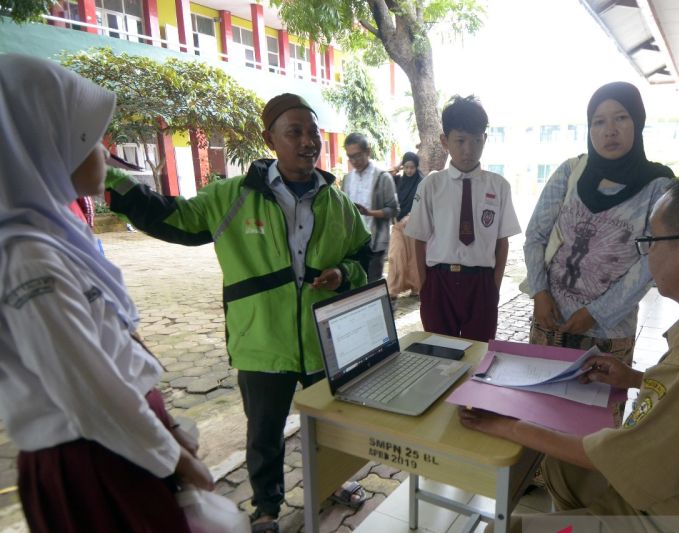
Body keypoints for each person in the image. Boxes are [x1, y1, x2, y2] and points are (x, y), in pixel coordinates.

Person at [460, 167, 679, 531]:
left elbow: (620, 456)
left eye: (651, 241)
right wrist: (637, 378)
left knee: (503, 527)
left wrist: (510, 426)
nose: (647, 253)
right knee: (564, 467)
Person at [105, 93, 372, 532]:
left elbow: (367, 256)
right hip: (260, 341)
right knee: (264, 434)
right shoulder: (232, 196)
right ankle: (267, 506)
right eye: (295, 132)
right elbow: (173, 218)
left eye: (313, 133)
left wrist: (344, 273)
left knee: (330, 424)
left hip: (324, 340)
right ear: (271, 139)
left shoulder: (337, 202)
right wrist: (111, 179)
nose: (308, 142)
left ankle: (331, 485)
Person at [0, 54, 213, 532]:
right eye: (91, 138)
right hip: (96, 458)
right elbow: (89, 389)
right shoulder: (27, 259)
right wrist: (176, 460)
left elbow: (115, 343)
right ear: (47, 146)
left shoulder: (58, 235)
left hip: (128, 440)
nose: (104, 150)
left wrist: (171, 431)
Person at [523, 82, 673, 409]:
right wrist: (540, 292)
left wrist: (596, 313)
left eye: (621, 118)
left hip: (608, 332)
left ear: (638, 122)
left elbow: (651, 261)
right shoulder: (570, 172)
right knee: (539, 408)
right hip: (550, 321)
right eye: (599, 122)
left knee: (593, 421)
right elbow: (535, 235)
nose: (610, 131)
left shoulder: (658, 186)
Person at [405, 95, 521, 342]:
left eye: (476, 140)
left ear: (485, 139)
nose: (468, 149)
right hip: (439, 283)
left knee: (477, 355)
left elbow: (502, 243)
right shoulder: (431, 185)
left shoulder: (499, 186)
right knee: (440, 355)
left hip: (481, 283)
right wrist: (426, 287)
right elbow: (419, 239)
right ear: (445, 141)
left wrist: (493, 288)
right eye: (460, 141)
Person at [341, 133, 399, 281]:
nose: (354, 161)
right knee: (356, 285)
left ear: (368, 152)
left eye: (358, 155)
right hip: (354, 244)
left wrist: (369, 213)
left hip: (376, 242)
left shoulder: (383, 178)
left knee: (372, 286)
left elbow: (393, 209)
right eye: (350, 157)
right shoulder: (347, 180)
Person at [386, 151, 424, 298]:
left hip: (414, 226)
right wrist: (397, 167)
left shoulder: (421, 181)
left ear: (416, 167)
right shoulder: (399, 180)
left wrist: (410, 217)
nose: (408, 170)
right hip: (398, 225)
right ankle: (393, 288)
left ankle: (416, 287)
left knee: (413, 258)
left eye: (412, 167)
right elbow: (385, 177)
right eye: (406, 167)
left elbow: (422, 203)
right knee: (395, 255)